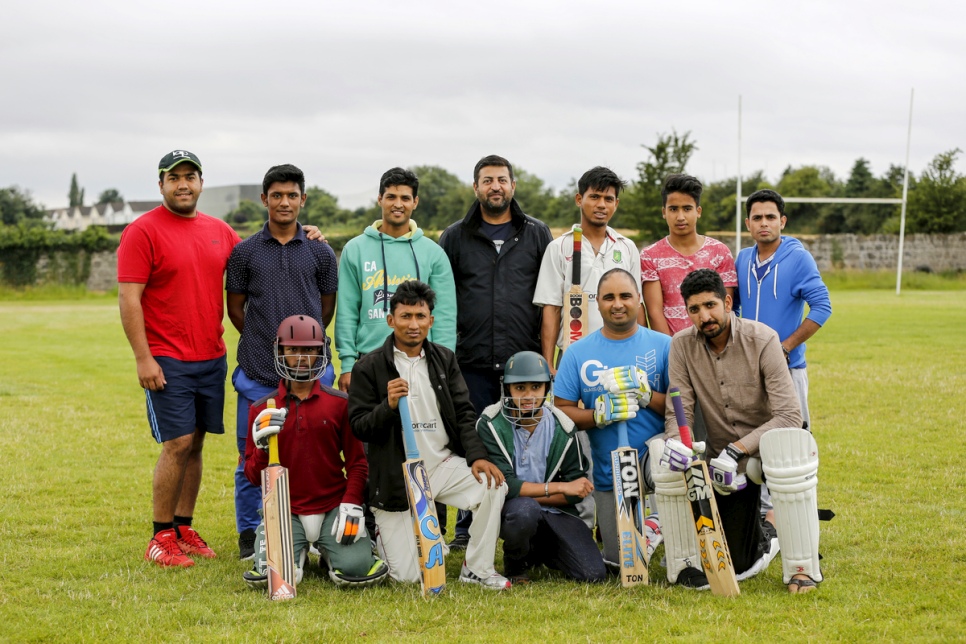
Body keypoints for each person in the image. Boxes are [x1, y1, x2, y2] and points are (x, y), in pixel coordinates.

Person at [658, 269, 821, 593]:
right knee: (737, 561)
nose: (704, 316)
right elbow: (679, 409)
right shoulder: (681, 345)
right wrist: (677, 442)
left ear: (728, 301)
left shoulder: (763, 339)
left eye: (710, 305)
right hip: (725, 465)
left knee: (789, 451)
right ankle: (771, 527)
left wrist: (738, 448)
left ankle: (802, 568)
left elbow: (790, 414)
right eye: (694, 309)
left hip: (767, 449)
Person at [118, 150, 241, 567]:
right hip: (167, 358)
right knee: (178, 443)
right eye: (174, 178)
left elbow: (258, 258)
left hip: (212, 355)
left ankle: (183, 527)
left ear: (201, 183)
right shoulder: (142, 231)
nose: (183, 184)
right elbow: (129, 298)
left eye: (190, 176)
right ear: (161, 185)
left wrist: (306, 233)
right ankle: (160, 536)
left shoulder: (220, 231)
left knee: (199, 442)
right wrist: (143, 358)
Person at [347, 280, 511, 590]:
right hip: (397, 479)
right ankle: (385, 535)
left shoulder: (444, 359)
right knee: (409, 578)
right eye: (405, 316)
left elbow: (464, 413)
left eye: (420, 316)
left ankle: (476, 568)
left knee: (493, 486)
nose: (413, 324)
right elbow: (359, 426)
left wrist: (477, 457)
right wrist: (388, 405)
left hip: (439, 467)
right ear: (390, 320)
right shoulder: (368, 366)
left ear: (431, 321)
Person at [226, 163, 339, 560]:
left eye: (292, 195)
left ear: (303, 199)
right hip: (258, 369)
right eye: (277, 195)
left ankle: (317, 529)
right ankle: (250, 532)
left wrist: (301, 348)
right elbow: (236, 309)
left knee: (315, 452)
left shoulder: (321, 251)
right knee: (251, 455)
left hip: (314, 372)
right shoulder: (244, 253)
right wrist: (266, 341)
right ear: (264, 200)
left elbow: (324, 310)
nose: (285, 202)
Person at [439, 154, 552, 549]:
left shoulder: (537, 234)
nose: (495, 187)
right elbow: (442, 299)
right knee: (473, 441)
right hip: (469, 361)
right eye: (487, 180)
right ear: (476, 187)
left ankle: (523, 520)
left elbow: (548, 298)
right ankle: (467, 525)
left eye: (502, 180)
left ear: (513, 185)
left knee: (524, 440)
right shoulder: (454, 237)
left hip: (523, 365)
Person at [242, 315, 388, 590]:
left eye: (310, 350)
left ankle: (330, 553)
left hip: (333, 505)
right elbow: (251, 475)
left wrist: (352, 501)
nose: (301, 357)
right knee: (273, 577)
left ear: (321, 352)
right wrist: (262, 449)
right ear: (280, 351)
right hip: (286, 509)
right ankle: (290, 547)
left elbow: (358, 463)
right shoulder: (262, 408)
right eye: (293, 349)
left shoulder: (339, 404)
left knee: (357, 571)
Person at [553, 268, 669, 575]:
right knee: (621, 564)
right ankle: (648, 533)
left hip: (657, 466)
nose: (617, 304)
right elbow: (559, 410)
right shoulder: (578, 353)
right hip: (610, 474)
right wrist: (596, 415)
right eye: (609, 297)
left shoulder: (664, 345)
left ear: (639, 300)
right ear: (598, 303)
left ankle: (663, 526)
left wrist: (647, 395)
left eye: (625, 296)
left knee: (664, 458)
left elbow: (682, 408)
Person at [477, 351, 606, 584]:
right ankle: (516, 563)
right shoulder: (490, 423)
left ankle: (540, 549)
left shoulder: (564, 427)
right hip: (512, 510)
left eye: (536, 387)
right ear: (507, 389)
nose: (529, 396)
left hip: (556, 514)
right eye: (520, 388)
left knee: (593, 574)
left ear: (546, 388)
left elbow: (575, 495)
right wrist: (559, 488)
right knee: (524, 511)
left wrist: (554, 493)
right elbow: (507, 486)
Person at [335, 167, 456, 393]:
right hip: (368, 361)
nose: (397, 204)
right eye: (391, 196)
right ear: (380, 199)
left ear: (415, 202)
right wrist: (347, 364)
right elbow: (347, 312)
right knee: (369, 427)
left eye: (405, 198)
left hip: (421, 361)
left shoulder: (433, 253)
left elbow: (445, 316)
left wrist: (444, 366)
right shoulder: (355, 250)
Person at [733, 189, 832, 431]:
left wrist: (785, 347)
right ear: (748, 224)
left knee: (793, 441)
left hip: (788, 368)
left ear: (782, 221)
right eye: (757, 218)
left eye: (770, 217)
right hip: (748, 368)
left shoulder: (799, 258)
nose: (763, 223)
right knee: (752, 439)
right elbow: (732, 308)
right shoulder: (742, 259)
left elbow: (822, 307)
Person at [533, 166, 643, 373]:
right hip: (574, 354)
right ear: (579, 199)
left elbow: (638, 305)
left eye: (608, 199)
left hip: (621, 353)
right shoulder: (558, 247)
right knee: (573, 407)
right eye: (594, 197)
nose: (601, 205)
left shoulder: (627, 248)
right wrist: (547, 362)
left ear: (616, 204)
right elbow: (551, 308)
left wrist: (640, 353)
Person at [639, 174, 737, 336]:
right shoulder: (650, 256)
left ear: (698, 211)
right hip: (672, 348)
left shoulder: (719, 252)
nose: (680, 217)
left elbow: (724, 308)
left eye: (687, 208)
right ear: (664, 212)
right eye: (673, 209)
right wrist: (672, 350)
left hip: (713, 348)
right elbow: (654, 312)